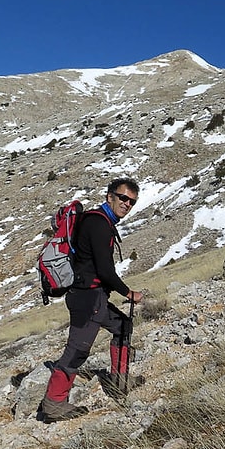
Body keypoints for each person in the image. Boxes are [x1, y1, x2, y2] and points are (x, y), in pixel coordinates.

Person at [39, 178, 143, 423]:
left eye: (132, 201)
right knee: (77, 351)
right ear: (110, 197)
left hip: (91, 296)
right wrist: (129, 293)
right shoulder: (99, 224)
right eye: (123, 198)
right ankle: (53, 405)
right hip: (87, 298)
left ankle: (120, 382)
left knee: (122, 326)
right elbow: (105, 271)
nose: (127, 204)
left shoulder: (100, 220)